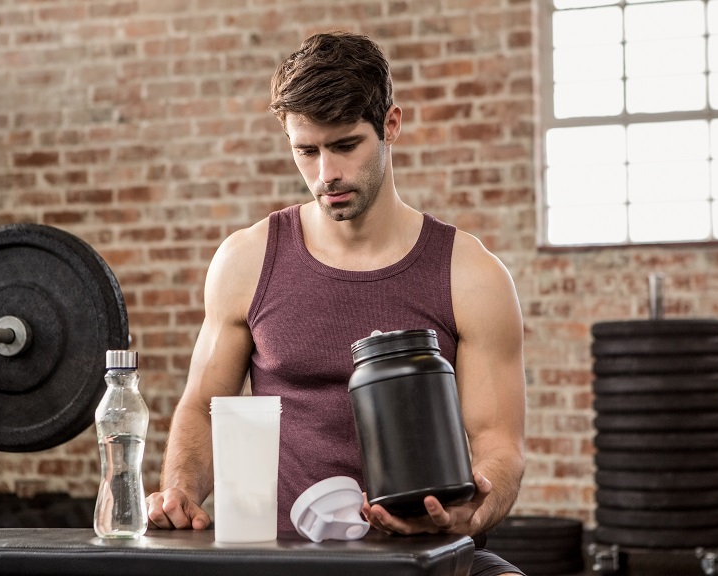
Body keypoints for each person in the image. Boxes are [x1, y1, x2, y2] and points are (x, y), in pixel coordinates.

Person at [146, 31, 527, 576]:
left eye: (346, 145)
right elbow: (204, 407)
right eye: (307, 151)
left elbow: (499, 444)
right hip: (281, 561)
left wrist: (466, 515)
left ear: (390, 125)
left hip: (421, 553)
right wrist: (180, 490)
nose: (327, 174)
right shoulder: (246, 260)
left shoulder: (471, 275)